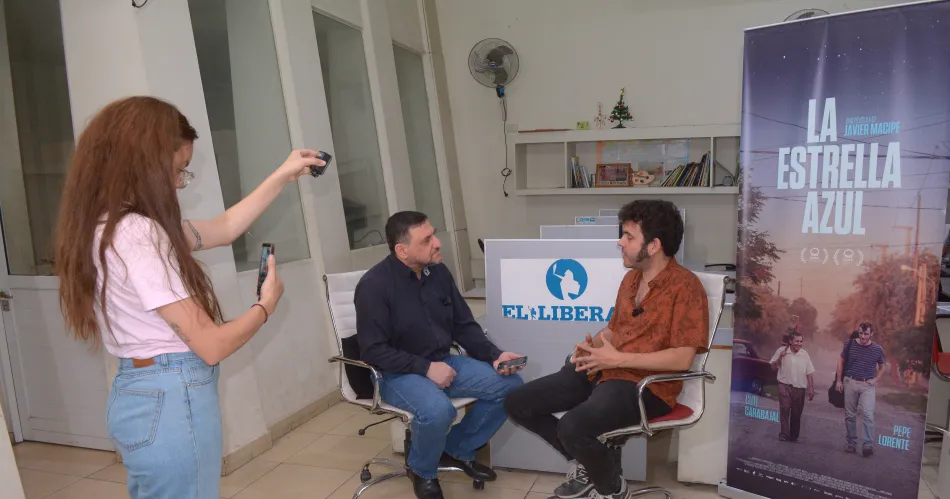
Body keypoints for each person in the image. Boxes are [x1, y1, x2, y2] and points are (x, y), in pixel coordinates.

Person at [53, 96, 327, 498]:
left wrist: (283, 175)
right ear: (145, 164)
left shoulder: (109, 225)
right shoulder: (137, 234)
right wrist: (266, 305)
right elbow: (211, 345)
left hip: (140, 392)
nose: (180, 182)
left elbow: (224, 228)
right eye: (178, 169)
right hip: (170, 397)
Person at [503, 200, 709, 499]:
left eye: (628, 236)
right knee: (517, 403)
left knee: (573, 427)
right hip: (605, 372)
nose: (620, 242)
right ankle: (594, 465)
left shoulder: (686, 287)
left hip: (648, 387)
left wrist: (617, 358)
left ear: (653, 245)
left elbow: (682, 358)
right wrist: (592, 347)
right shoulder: (631, 279)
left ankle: (612, 489)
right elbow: (614, 329)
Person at [354, 211, 525, 499]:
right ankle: (422, 470)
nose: (437, 243)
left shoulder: (439, 274)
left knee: (511, 387)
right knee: (438, 411)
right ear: (402, 250)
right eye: (427, 240)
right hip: (395, 373)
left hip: (442, 361)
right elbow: (373, 350)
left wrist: (494, 355)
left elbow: (463, 325)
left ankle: (456, 448)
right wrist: (425, 368)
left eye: (434, 234)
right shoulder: (374, 285)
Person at [835, 321, 885, 457]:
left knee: (868, 414)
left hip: (867, 385)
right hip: (850, 382)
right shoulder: (849, 344)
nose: (863, 336)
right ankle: (851, 443)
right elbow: (840, 361)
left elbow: (882, 366)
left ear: (871, 334)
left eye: (866, 334)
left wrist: (876, 379)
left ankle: (868, 445)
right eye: (861, 333)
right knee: (850, 415)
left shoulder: (877, 349)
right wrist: (839, 381)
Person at [769, 331, 815, 442]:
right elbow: (773, 367)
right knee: (784, 409)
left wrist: (811, 388)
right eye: (796, 341)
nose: (799, 344)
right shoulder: (781, 351)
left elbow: (809, 372)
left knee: (796, 412)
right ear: (790, 341)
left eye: (801, 341)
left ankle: (793, 436)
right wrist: (780, 357)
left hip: (799, 388)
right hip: (784, 385)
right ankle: (784, 434)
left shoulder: (804, 354)